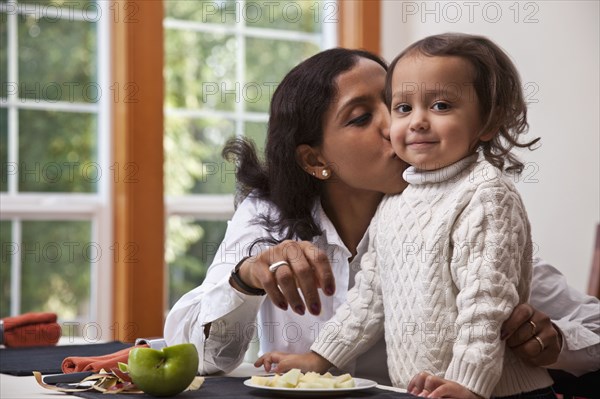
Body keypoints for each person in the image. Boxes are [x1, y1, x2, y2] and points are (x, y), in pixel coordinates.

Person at [163, 47, 600, 385]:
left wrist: (555, 341)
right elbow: (191, 357)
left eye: (396, 103)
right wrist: (245, 279)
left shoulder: (463, 210)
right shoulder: (267, 216)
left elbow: (593, 327)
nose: (395, 125)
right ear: (315, 159)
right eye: (360, 117)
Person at [256, 33, 558, 398]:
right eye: (403, 107)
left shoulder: (486, 195)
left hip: (494, 392)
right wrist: (320, 358)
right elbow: (369, 298)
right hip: (420, 391)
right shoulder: (396, 200)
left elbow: (486, 304)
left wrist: (469, 384)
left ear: (488, 122)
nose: (417, 121)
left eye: (442, 106)